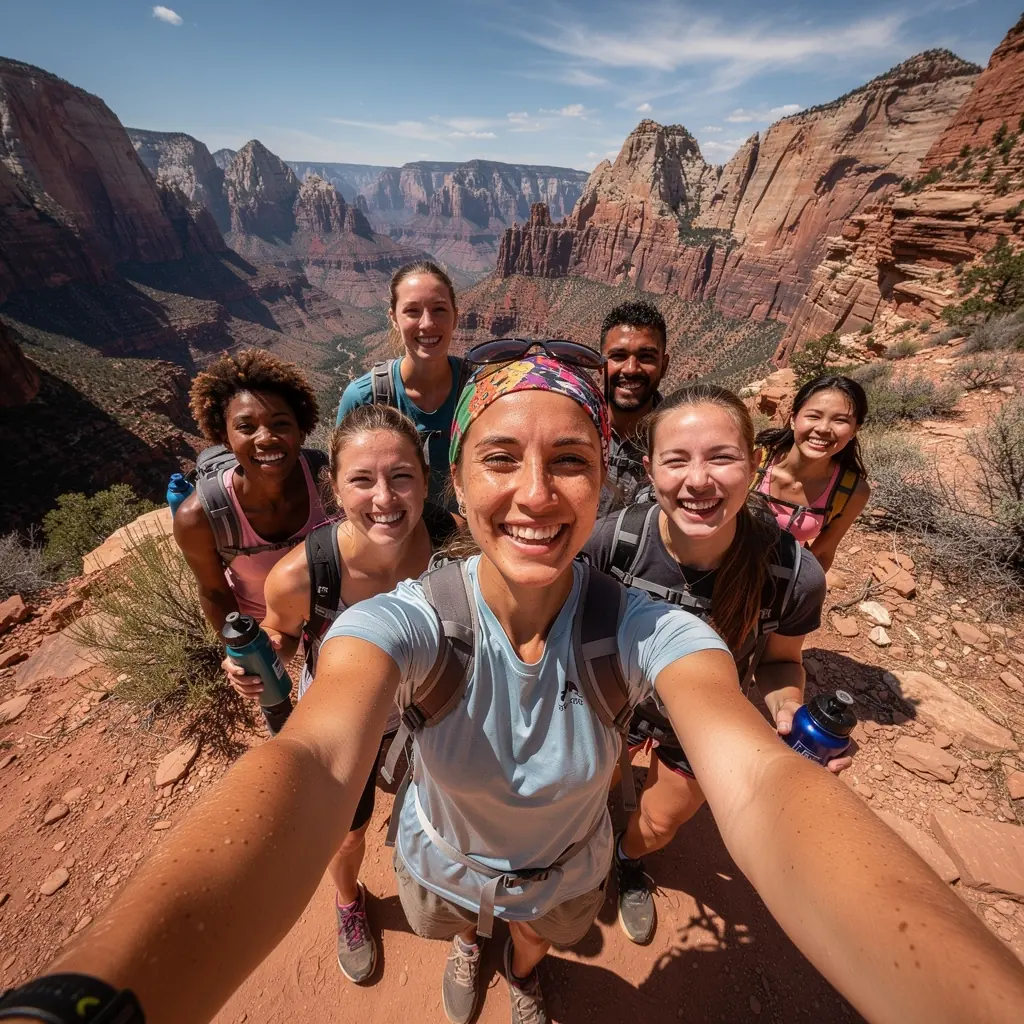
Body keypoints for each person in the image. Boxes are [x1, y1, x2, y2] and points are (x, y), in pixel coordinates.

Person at [13, 352, 1024, 1024]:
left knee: (537, 932)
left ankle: (525, 974)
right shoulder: (403, 619)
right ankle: (469, 952)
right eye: (500, 458)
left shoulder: (647, 625)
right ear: (456, 483)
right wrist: (92, 1002)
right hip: (441, 865)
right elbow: (314, 758)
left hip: (567, 865)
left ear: (602, 485)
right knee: (462, 923)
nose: (535, 494)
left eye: (569, 462)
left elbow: (758, 781)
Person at [585, 383, 848, 946]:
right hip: (617, 701)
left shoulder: (792, 573)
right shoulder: (612, 543)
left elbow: (779, 664)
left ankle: (623, 861)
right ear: (651, 469)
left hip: (706, 720)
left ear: (755, 465)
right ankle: (588, 838)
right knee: (597, 784)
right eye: (676, 460)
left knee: (659, 822)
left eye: (721, 457)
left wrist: (788, 711)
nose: (697, 480)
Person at [222, 404, 458, 985]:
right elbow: (281, 632)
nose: (384, 497)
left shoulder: (453, 543)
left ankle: (457, 903)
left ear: (425, 480)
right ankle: (349, 900)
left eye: (401, 476)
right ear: (334, 487)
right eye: (362, 479)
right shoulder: (303, 575)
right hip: (345, 726)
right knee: (346, 828)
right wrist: (257, 661)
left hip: (428, 713)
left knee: (448, 810)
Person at [173, 349, 327, 731]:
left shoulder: (326, 480)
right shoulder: (198, 517)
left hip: (331, 611)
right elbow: (213, 591)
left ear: (301, 428)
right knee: (280, 712)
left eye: (280, 423)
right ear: (222, 435)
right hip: (267, 626)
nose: (266, 439)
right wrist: (241, 647)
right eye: (246, 427)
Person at [337, 260, 466, 510]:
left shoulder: (478, 389)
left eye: (439, 309)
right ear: (394, 318)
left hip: (470, 541)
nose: (427, 323)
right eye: (412, 311)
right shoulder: (365, 398)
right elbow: (347, 484)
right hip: (393, 538)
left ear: (456, 317)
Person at [754, 374, 871, 571]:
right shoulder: (754, 460)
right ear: (793, 419)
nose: (824, 428)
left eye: (840, 420)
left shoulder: (852, 491)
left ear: (854, 431)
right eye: (813, 416)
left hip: (776, 583)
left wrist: (803, 598)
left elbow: (822, 554)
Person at [598, 300, 670, 514]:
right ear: (600, 365)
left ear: (663, 366)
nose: (630, 369)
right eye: (618, 356)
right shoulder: (575, 426)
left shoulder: (680, 437)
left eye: (646, 356)